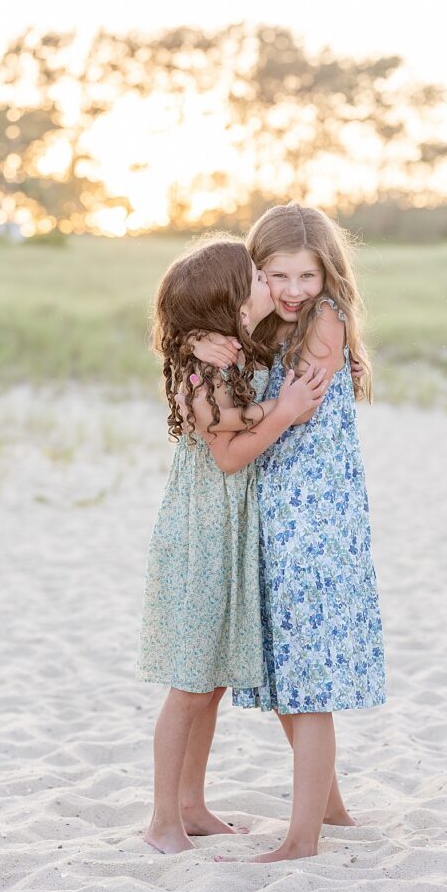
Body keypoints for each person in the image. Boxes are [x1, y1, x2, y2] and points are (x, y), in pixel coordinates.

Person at [191, 204, 386, 862]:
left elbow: (294, 403)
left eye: (308, 274)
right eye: (279, 275)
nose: (296, 289)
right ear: (255, 273)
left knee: (306, 683)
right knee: (285, 672)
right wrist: (208, 342)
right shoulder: (259, 328)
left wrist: (236, 351)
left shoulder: (324, 320)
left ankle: (302, 837)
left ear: (327, 273)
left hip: (315, 520)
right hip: (277, 514)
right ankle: (329, 809)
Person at [137, 235, 328, 855]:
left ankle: (191, 805)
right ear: (232, 300)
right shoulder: (211, 363)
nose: (271, 283)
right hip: (203, 536)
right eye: (258, 274)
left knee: (210, 682)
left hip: (228, 534)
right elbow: (227, 455)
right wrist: (286, 412)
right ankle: (163, 818)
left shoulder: (237, 348)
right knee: (190, 683)